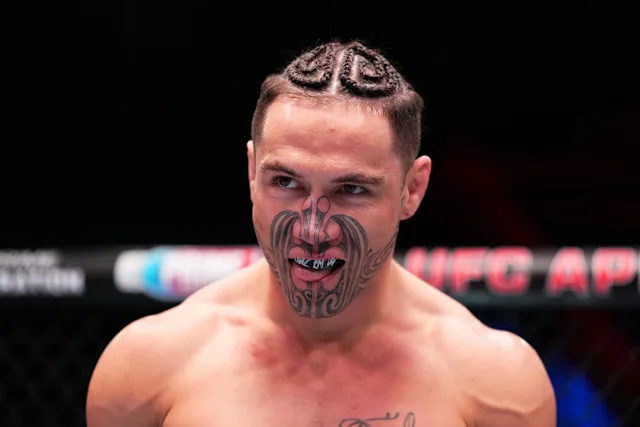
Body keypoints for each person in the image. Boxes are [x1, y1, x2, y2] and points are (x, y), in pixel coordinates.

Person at [87, 41, 556, 426]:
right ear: (252, 172)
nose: (313, 230)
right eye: (285, 182)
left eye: (351, 189)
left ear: (412, 189)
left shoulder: (497, 382)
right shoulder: (147, 366)